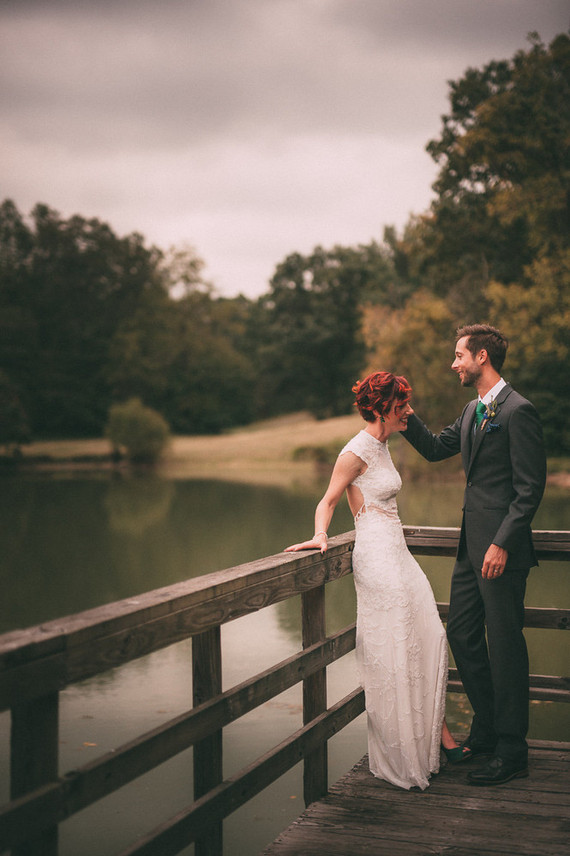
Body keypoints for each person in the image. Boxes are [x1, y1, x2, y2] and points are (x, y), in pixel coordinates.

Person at [285, 371, 467, 791]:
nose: (409, 410)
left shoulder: (386, 444)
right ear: (383, 407)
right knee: (399, 648)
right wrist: (319, 536)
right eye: (403, 404)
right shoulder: (355, 451)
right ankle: (418, 750)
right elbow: (329, 499)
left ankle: (434, 741)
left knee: (430, 637)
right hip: (376, 557)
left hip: (397, 553)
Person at [401, 324, 546, 786]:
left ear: (482, 357)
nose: (454, 363)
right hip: (469, 549)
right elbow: (432, 449)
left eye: (459, 355)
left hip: (501, 550)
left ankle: (512, 749)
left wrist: (502, 542)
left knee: (505, 646)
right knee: (462, 634)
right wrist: (402, 415)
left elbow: (529, 489)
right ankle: (485, 729)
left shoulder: (519, 411)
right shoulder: (471, 411)